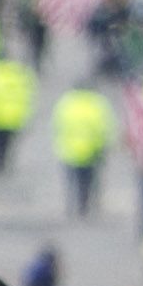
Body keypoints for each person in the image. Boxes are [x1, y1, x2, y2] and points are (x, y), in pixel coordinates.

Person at [53, 84, 115, 219]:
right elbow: (104, 128)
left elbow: (57, 125)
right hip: (90, 151)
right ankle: (84, 205)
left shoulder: (67, 103)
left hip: (70, 150)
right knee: (87, 182)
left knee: (71, 181)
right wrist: (104, 147)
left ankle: (71, 205)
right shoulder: (97, 104)